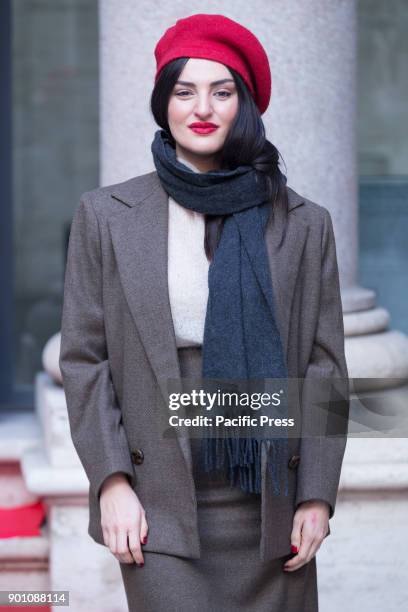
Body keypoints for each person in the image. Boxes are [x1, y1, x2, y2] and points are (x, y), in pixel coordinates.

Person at [59, 13, 350, 612]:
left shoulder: (304, 223)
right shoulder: (107, 215)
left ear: (244, 105)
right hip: (158, 494)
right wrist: (111, 481)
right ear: (163, 102)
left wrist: (317, 495)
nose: (203, 108)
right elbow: (85, 361)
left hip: (270, 495)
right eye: (184, 91)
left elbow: (325, 371)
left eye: (222, 92)